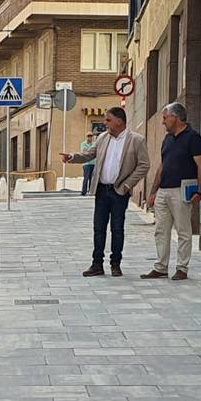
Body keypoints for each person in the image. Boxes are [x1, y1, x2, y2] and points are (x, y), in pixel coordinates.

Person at [63, 106, 149, 277]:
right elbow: (89, 154)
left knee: (117, 229)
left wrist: (127, 185)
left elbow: (144, 165)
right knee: (98, 228)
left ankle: (115, 264)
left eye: (108, 120)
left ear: (119, 121)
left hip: (119, 191)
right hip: (102, 190)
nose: (105, 123)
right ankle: (97, 264)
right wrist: (72, 157)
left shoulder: (136, 141)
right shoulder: (103, 138)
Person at [144, 102, 201, 281]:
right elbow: (162, 166)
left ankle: (182, 268)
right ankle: (161, 267)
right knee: (160, 230)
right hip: (163, 190)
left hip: (181, 191)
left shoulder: (193, 138)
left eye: (165, 118)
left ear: (175, 117)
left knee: (183, 231)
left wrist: (200, 191)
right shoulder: (167, 139)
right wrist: (153, 191)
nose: (163, 122)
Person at [79, 131, 97, 195]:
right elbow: (84, 151)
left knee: (92, 178)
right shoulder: (83, 144)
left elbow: (94, 151)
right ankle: (84, 192)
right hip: (86, 163)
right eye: (88, 136)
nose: (89, 137)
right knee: (86, 178)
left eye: (91, 136)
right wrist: (91, 150)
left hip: (93, 163)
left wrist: (90, 151)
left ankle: (91, 191)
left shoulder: (94, 144)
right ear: (86, 137)